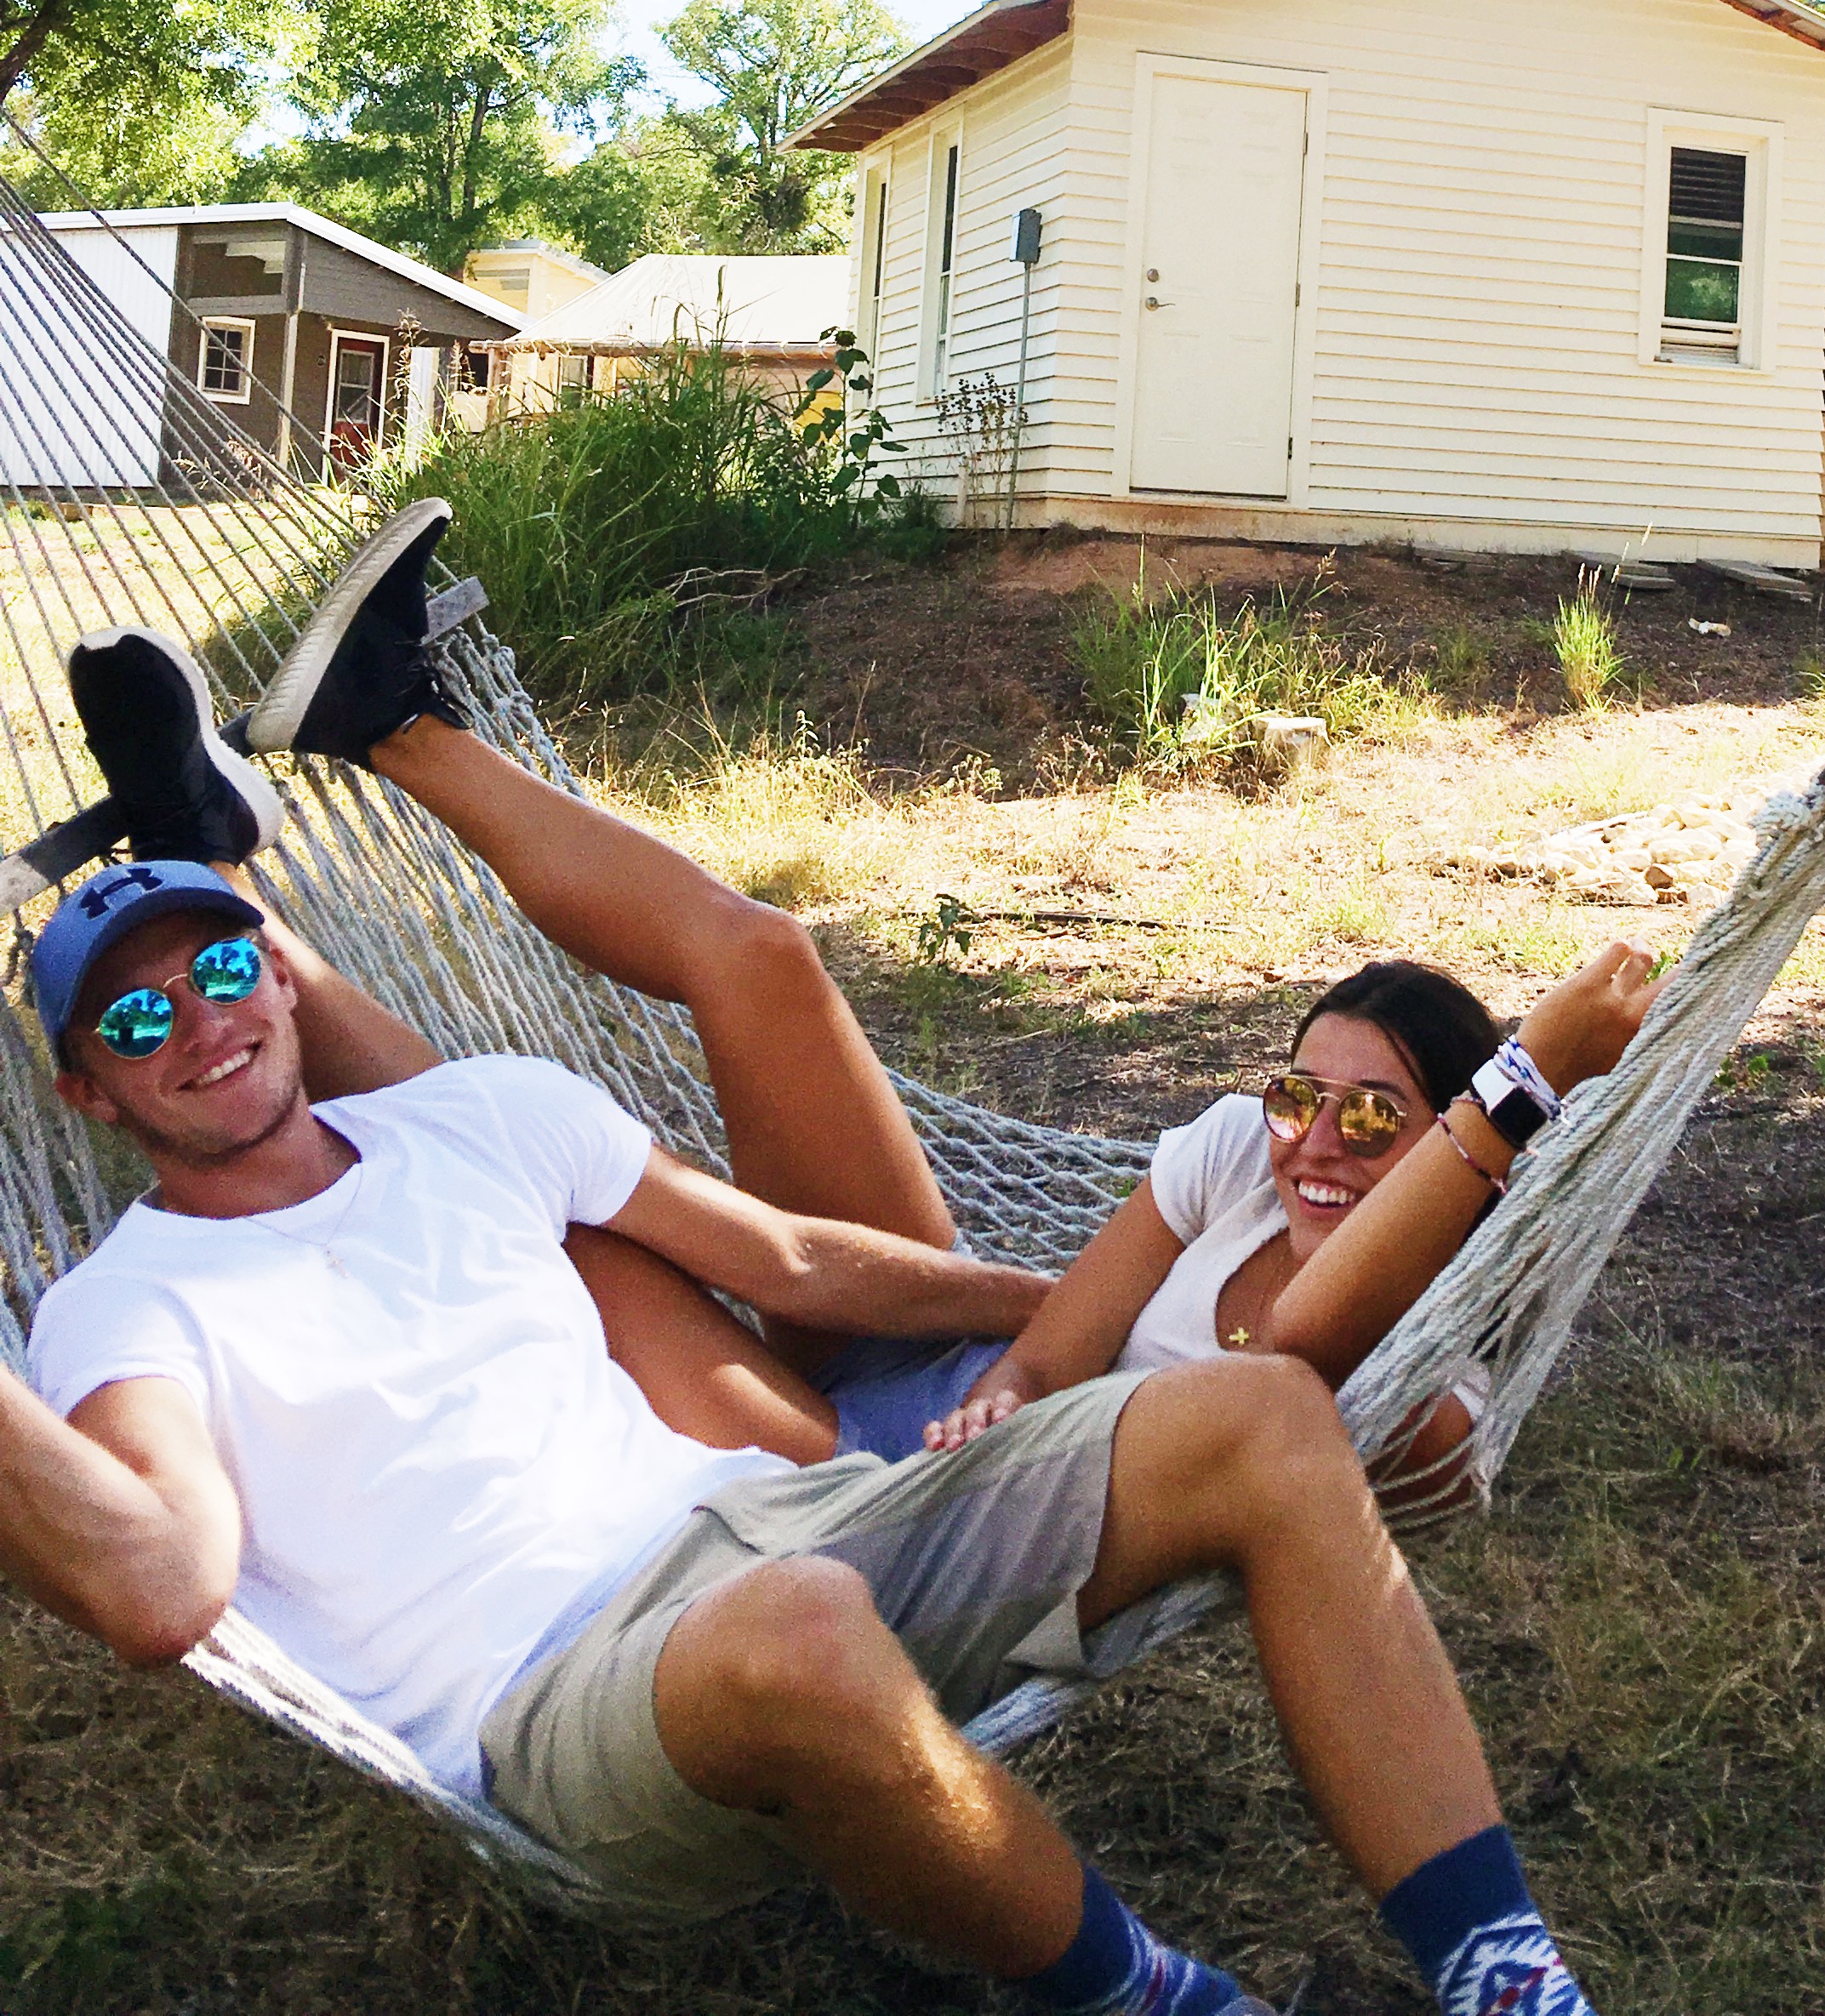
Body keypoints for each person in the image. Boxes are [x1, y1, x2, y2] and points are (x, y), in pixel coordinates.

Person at [3, 524, 1606, 2015]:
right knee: (747, 1528)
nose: (201, 1019)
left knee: (503, 1167)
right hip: (586, 1668)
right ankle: (1160, 1998)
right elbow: (158, 1581)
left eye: (230, 967)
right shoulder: (127, 1311)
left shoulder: (457, 1126)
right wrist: (1060, 1312)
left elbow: (792, 1257)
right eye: (138, 1021)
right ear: (82, 1091)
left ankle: (1510, 1978)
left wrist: (1067, 1319)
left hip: (792, 1502)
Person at [64, 500, 1664, 1479]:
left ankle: (212, 881)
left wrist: (1528, 1078)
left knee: (521, 1193)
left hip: (862, 1483)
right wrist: (999, 1314)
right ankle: (384, 723)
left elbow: (1298, 1360)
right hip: (949, 1356)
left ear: (1451, 1159)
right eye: (1301, 1092)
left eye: (1374, 1124)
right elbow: (1046, 1336)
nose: (1310, 1140)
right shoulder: (1241, 1156)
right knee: (763, 956)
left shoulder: (1432, 1389)